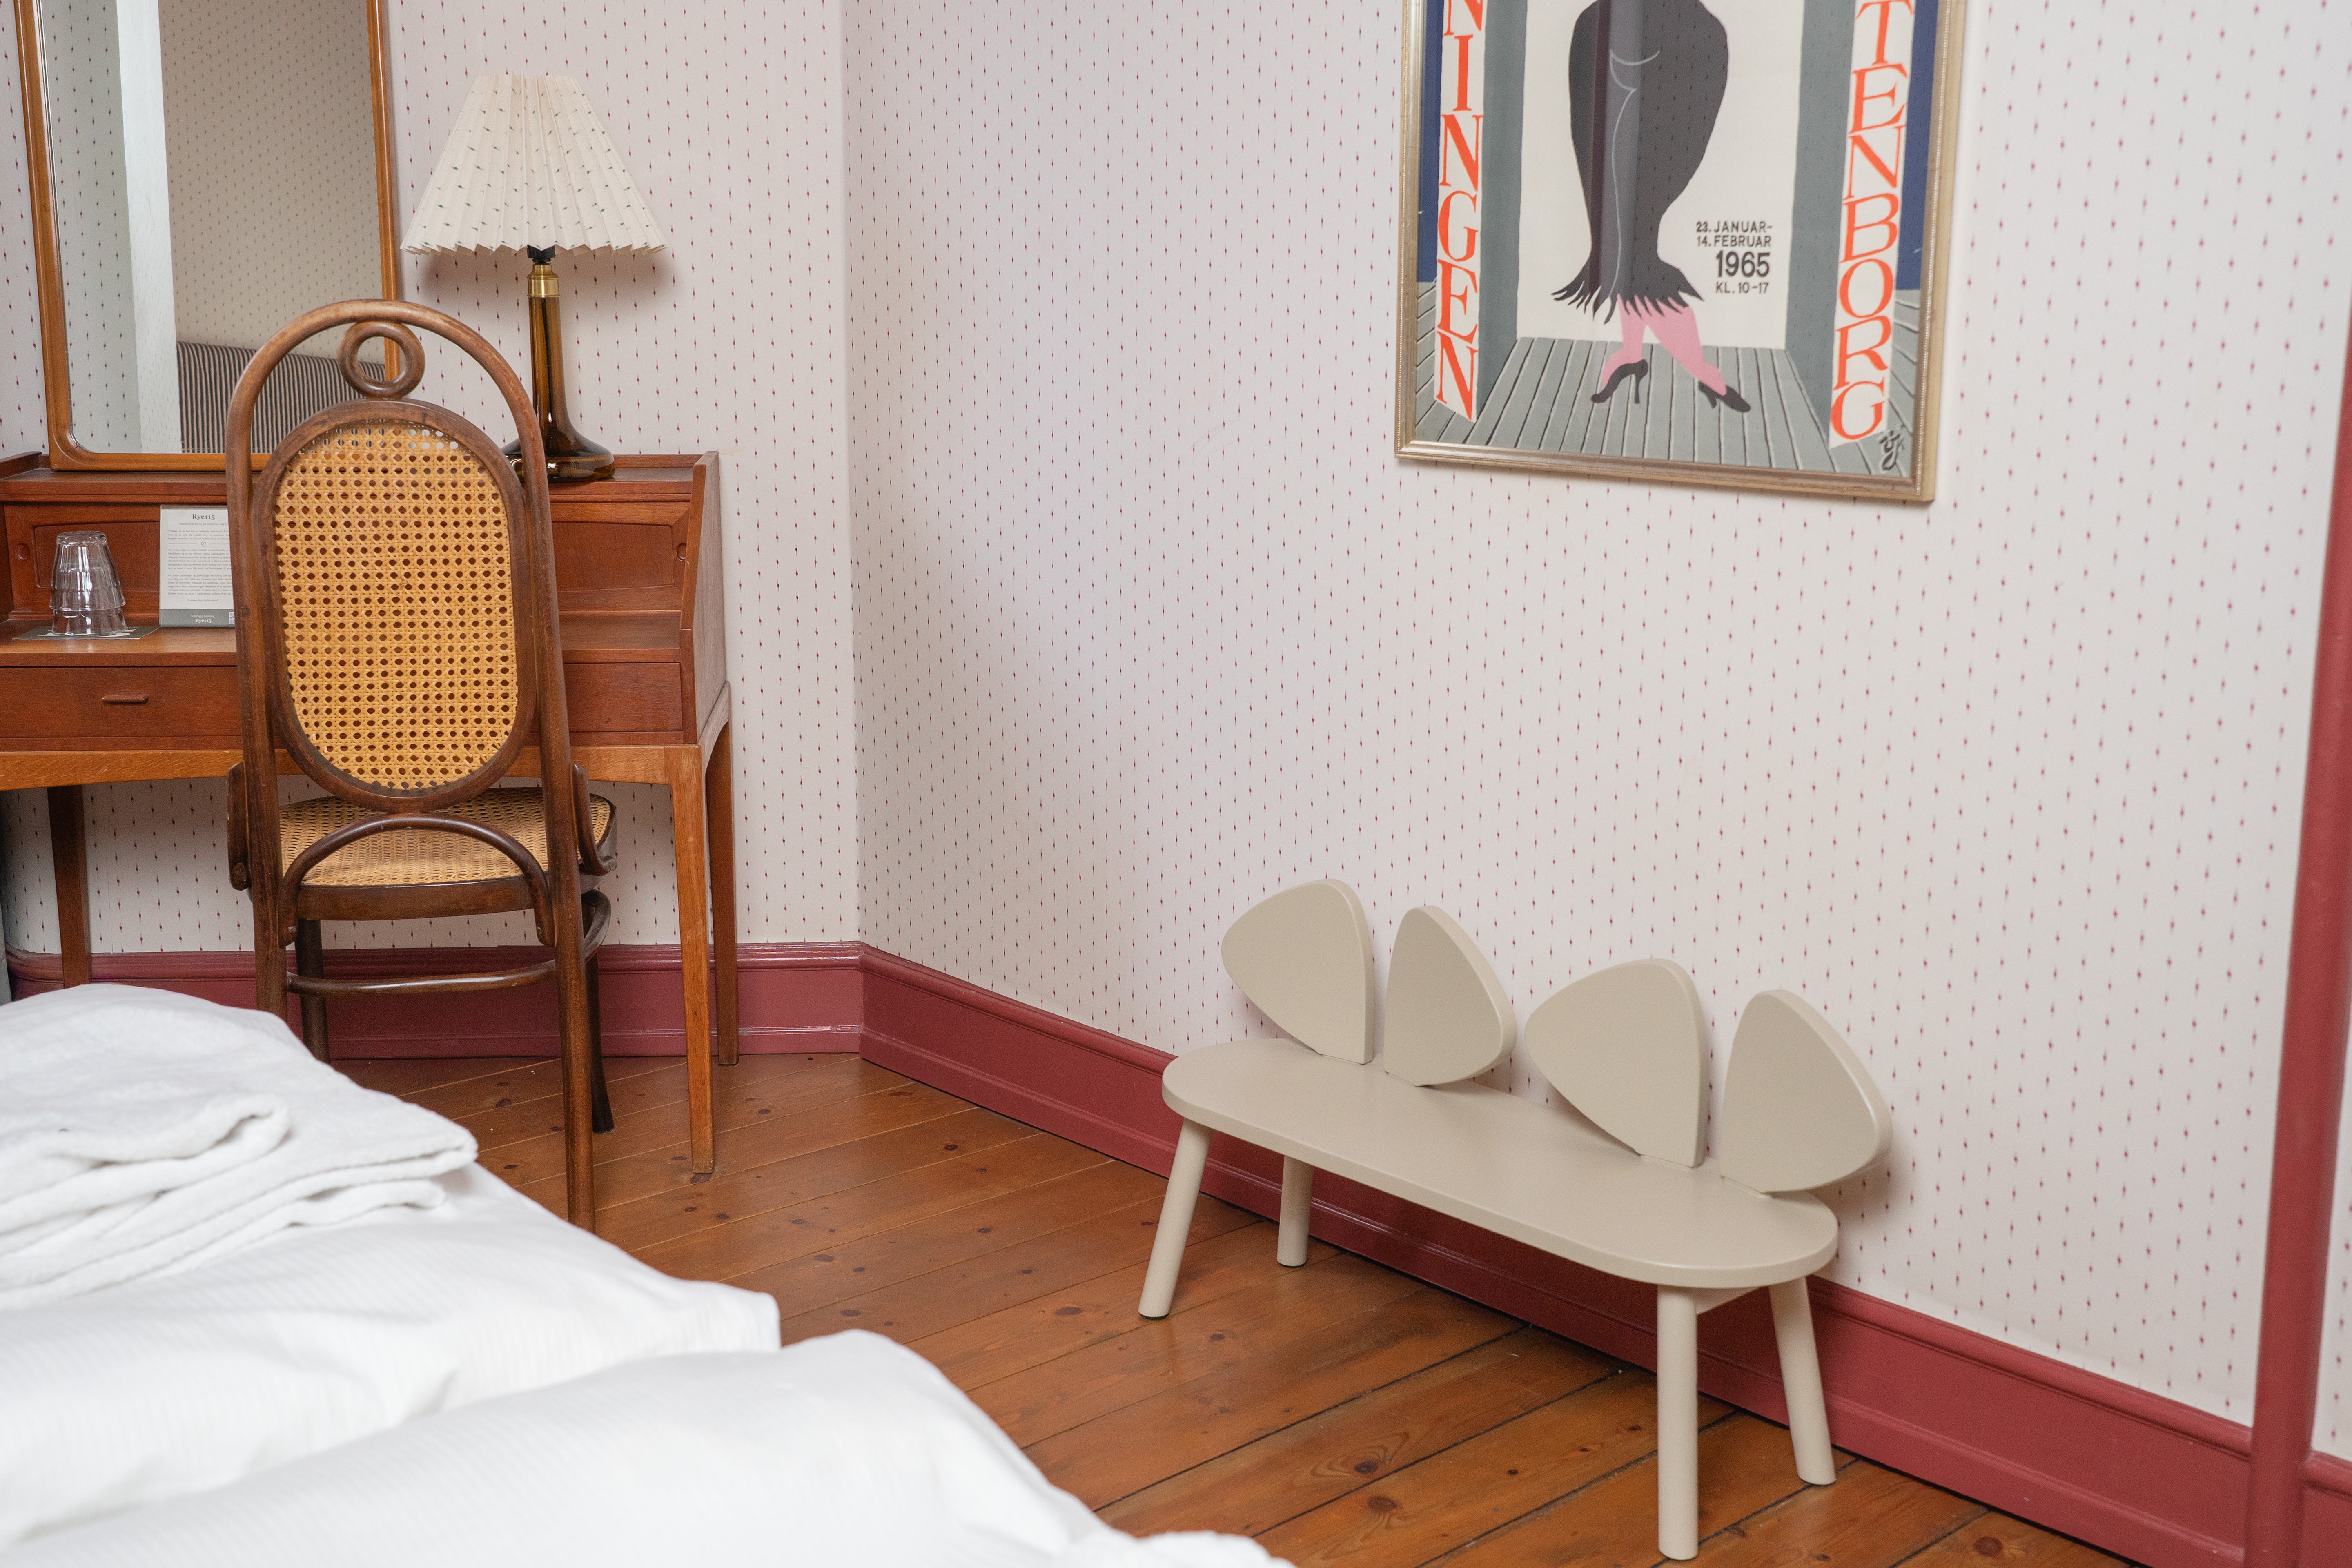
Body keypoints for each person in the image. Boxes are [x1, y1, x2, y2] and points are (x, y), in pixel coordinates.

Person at [1555, 0, 1751, 413]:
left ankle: (1697, 371)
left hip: (1646, 125)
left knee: (1634, 253)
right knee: (1629, 251)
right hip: (1621, 128)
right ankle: (1636, 355)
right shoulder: (1598, 22)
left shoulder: (1695, 33)